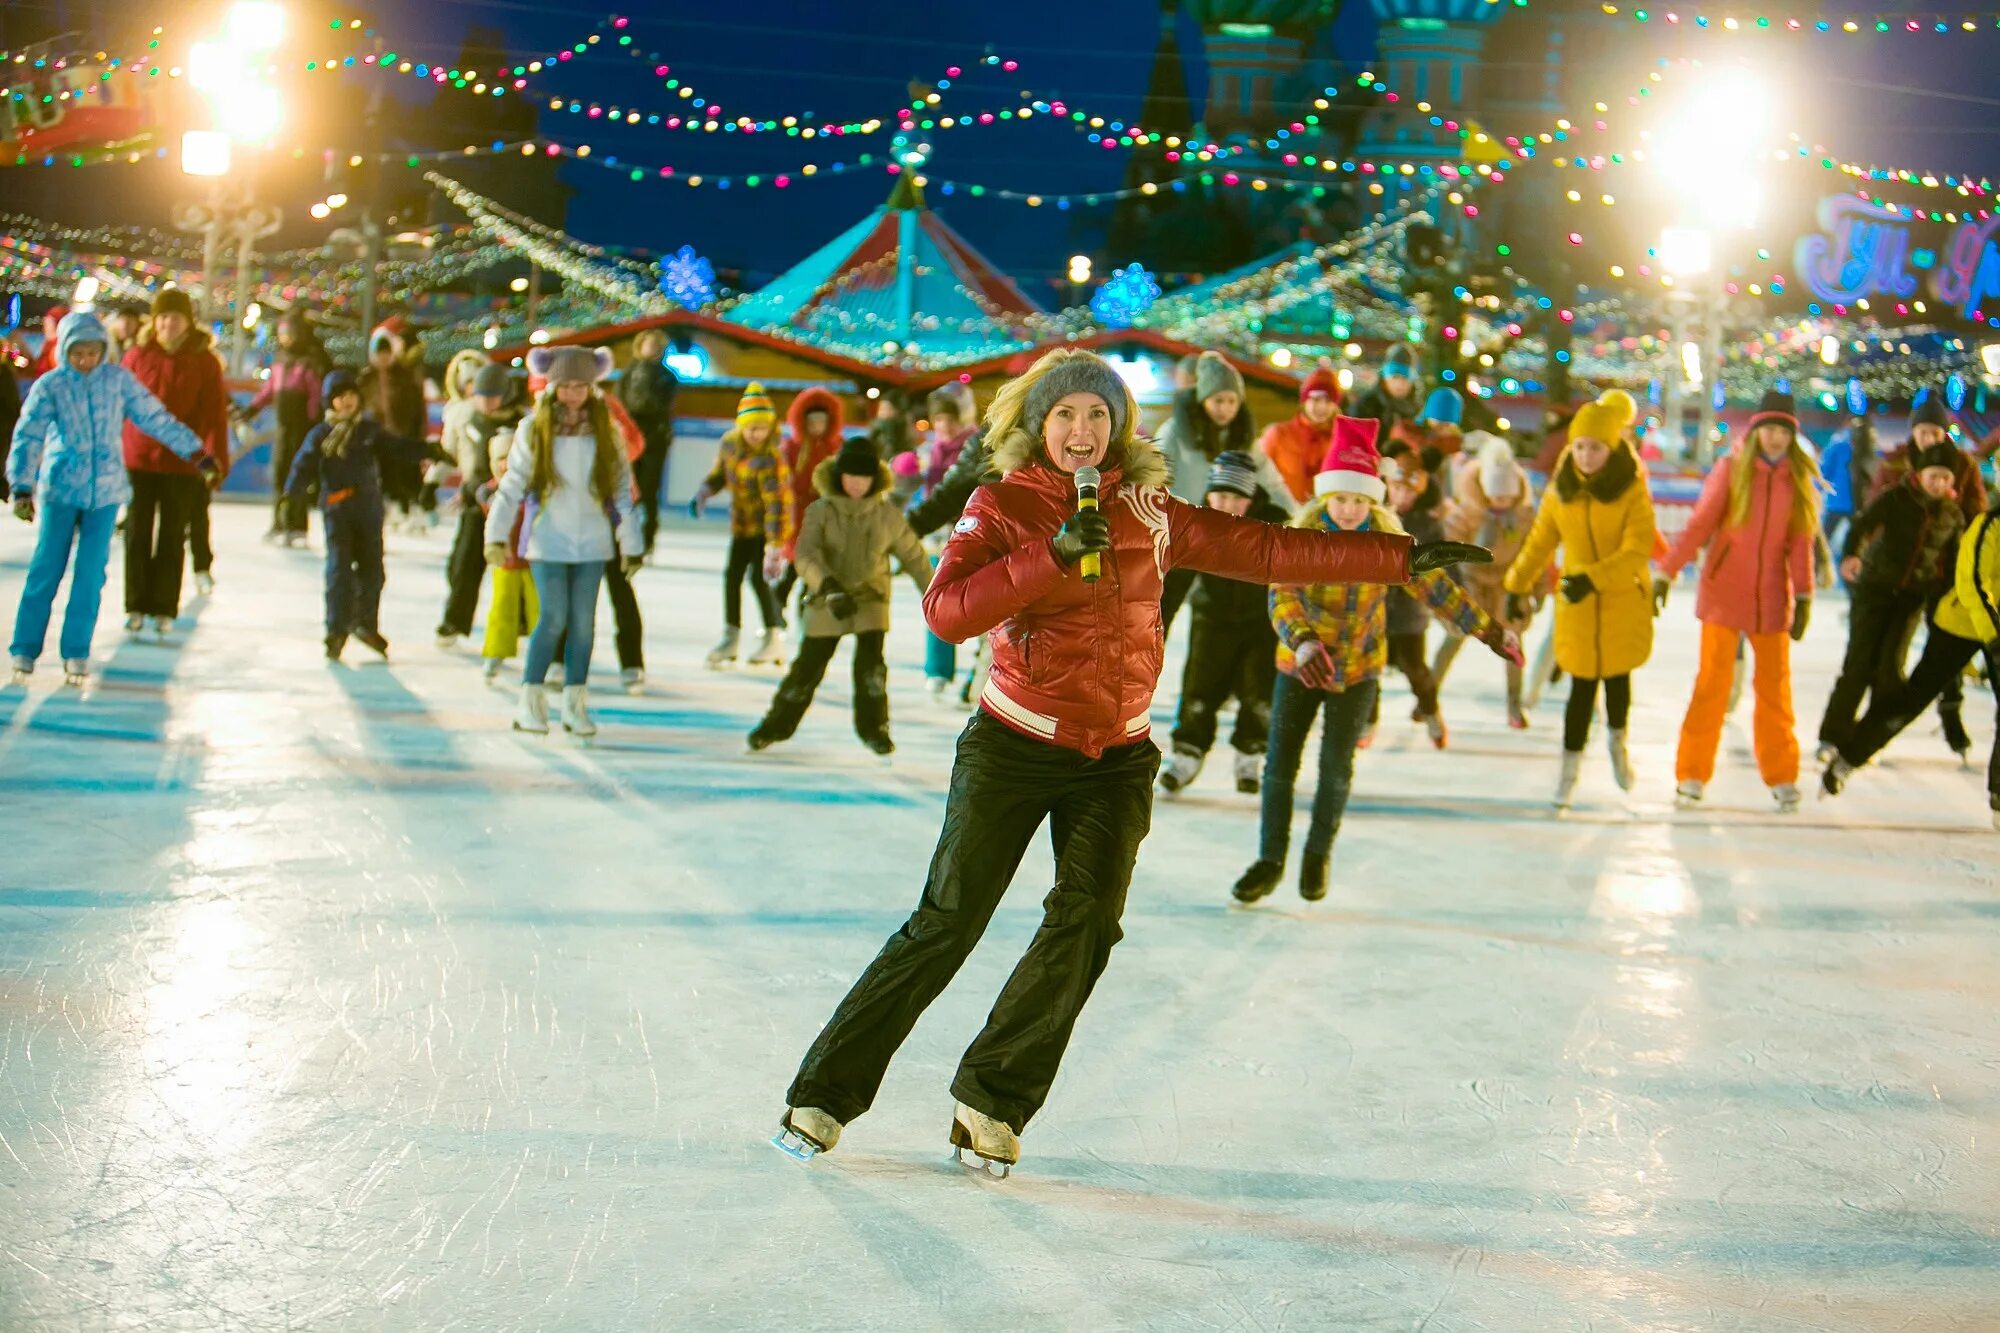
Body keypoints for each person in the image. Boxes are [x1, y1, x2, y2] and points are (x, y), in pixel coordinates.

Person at [771, 348, 1489, 1175]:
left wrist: (1397, 559)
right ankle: (825, 1091)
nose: (1083, 429)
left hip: (1116, 754)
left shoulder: (1151, 511)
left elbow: (1267, 551)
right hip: (1013, 743)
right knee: (948, 922)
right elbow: (947, 614)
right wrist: (1047, 554)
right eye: (1067, 413)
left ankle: (991, 1099)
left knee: (1086, 925)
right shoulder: (1000, 504)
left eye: (1099, 415)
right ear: (1039, 424)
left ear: (1119, 429)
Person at [1235, 418, 1521, 903]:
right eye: (1340, 499)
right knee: (1279, 766)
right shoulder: (1300, 539)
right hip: (1300, 664)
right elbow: (1281, 596)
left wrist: (1491, 631)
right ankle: (1269, 859)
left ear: (1373, 502)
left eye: (1359, 501)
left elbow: (1440, 592)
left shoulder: (1390, 549)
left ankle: (1316, 854)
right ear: (1325, 498)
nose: (1348, 510)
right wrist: (1303, 641)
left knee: (1335, 767)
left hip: (1358, 669)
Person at [7, 311, 215, 684]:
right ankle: (24, 648)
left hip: (105, 492)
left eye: (92, 352)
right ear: (65, 351)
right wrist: (22, 486)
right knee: (46, 570)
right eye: (77, 353)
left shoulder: (117, 382)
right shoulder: (51, 386)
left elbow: (155, 417)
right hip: (61, 488)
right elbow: (28, 435)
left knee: (90, 575)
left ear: (103, 350)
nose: (85, 360)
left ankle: (76, 651)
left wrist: (195, 451)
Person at [1656, 387, 1824, 812]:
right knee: (1712, 684)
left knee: (1774, 692)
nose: (1775, 438)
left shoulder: (1797, 480)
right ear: (1757, 430)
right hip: (1724, 593)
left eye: (1782, 431)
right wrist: (1667, 571)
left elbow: (1801, 542)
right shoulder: (1732, 470)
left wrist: (1803, 596)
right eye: (1769, 428)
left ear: (1791, 436)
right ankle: (1691, 773)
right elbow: (1698, 525)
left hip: (1770, 599)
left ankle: (1782, 776)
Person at [1503, 391, 1658, 809]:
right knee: (1580, 690)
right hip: (1577, 603)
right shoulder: (1562, 489)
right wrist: (1515, 586)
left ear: (1612, 448)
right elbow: (1539, 542)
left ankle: (1617, 748)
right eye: (1580, 446)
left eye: (1596, 447)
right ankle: (1568, 773)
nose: (1587, 456)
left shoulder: (1631, 487)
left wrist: (1594, 578)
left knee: (1618, 681)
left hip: (1621, 599)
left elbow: (1638, 548)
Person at [484, 346, 643, 738]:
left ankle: (575, 704)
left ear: (592, 387)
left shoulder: (608, 432)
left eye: (580, 386)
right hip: (547, 539)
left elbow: (622, 492)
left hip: (593, 541)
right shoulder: (534, 429)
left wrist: (631, 543)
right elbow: (511, 487)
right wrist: (496, 535)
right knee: (553, 618)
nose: (573, 394)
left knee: (584, 626)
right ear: (552, 387)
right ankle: (530, 701)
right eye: (565, 386)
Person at [1822, 490, 1998, 829]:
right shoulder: (1989, 525)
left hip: (1995, 629)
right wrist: (1993, 635)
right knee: (1912, 697)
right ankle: (1850, 756)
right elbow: (1973, 584)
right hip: (1962, 623)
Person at [748, 437, 931, 754]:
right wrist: (828, 587)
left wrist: (936, 595)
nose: (857, 483)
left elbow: (914, 557)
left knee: (871, 668)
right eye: (851, 475)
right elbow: (806, 556)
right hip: (827, 597)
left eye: (864, 476)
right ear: (838, 475)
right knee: (809, 666)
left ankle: (875, 729)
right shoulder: (821, 510)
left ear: (875, 478)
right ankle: (775, 725)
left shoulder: (885, 515)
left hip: (870, 598)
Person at [1815, 440, 1965, 761]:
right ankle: (1832, 735)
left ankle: (1868, 736)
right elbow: (1862, 525)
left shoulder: (1952, 514)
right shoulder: (1897, 497)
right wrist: (1853, 554)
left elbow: (1955, 561)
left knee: (1890, 672)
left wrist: (1948, 594)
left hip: (1912, 598)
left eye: (1945, 478)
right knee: (1858, 664)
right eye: (1933, 475)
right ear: (1920, 473)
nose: (1938, 483)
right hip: (1875, 589)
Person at [1865, 391, 1990, 761]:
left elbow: (1976, 517)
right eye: (1923, 431)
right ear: (1913, 432)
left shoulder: (1963, 466)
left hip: (1946, 574)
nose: (1929, 438)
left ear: (1945, 433)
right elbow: (1876, 513)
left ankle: (1951, 715)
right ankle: (1877, 727)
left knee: (1943, 651)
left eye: (1936, 432)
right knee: (1889, 657)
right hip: (1900, 574)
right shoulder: (1895, 463)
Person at [286, 370, 445, 662]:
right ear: (329, 402)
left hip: (368, 509)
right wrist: (291, 497)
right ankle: (336, 631)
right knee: (340, 572)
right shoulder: (321, 434)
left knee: (373, 571)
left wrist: (430, 450)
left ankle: (365, 624)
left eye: (351, 395)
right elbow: (303, 465)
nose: (347, 402)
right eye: (340, 397)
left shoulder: (368, 430)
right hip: (337, 510)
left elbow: (398, 447)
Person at [1158, 452, 1287, 798]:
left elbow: (1296, 569)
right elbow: (1175, 585)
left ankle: (1250, 754)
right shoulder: (1196, 524)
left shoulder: (1272, 524)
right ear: (1209, 494)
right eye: (1221, 496)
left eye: (1236, 498)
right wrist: (1158, 630)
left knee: (1258, 693)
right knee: (1199, 689)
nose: (1227, 505)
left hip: (1261, 624)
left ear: (1250, 497)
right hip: (1211, 620)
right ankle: (1187, 753)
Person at [1155, 350, 1293, 630]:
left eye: (1231, 401)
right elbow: (1155, 473)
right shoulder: (1177, 430)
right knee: (1161, 610)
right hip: (1180, 532)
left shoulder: (1241, 436)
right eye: (1218, 400)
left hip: (1219, 535)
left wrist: (1296, 519)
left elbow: (1269, 479)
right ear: (1203, 399)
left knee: (1214, 613)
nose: (1225, 408)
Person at [121, 288, 230, 635]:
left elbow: (215, 415)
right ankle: (135, 604)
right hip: (139, 458)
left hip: (183, 462)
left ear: (188, 322)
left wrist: (216, 460)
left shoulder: (205, 361)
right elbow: (118, 407)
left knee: (171, 535)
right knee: (137, 533)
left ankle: (164, 606)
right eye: (163, 317)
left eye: (176, 317)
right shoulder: (137, 356)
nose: (169, 324)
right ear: (154, 321)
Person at [1436, 431, 1543, 729]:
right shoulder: (1468, 512)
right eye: (1496, 496)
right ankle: (1427, 695)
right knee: (1454, 637)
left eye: (1508, 497)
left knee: (1512, 643)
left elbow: (1535, 553)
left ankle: (1514, 704)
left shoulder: (1523, 515)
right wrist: (1452, 584)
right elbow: (1446, 547)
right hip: (1472, 582)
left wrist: (1538, 589)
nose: (1502, 502)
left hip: (1508, 585)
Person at [694, 384, 792, 668]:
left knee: (759, 580)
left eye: (762, 429)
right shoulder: (730, 444)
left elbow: (778, 503)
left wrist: (774, 545)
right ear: (742, 426)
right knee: (732, 577)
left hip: (766, 528)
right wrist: (704, 491)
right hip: (741, 525)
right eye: (752, 428)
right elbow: (720, 475)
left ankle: (774, 638)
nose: (757, 434)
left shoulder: (773, 457)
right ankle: (731, 636)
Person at [436, 362, 521, 648]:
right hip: (474, 502)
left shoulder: (520, 422)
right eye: (482, 395)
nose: (487, 402)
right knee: (462, 566)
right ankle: (454, 622)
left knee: (514, 567)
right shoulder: (467, 417)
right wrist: (431, 482)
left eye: (493, 396)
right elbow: (450, 452)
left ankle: (523, 621)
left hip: (511, 506)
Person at [1376, 437, 1453, 747]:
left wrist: (1449, 600)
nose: (1402, 496)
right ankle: (1367, 720)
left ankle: (1431, 711)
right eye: (1397, 488)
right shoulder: (1373, 516)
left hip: (1409, 611)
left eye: (1409, 490)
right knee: (1370, 670)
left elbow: (1445, 561)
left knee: (1415, 668)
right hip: (1376, 607)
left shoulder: (1427, 524)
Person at [240, 307, 330, 545]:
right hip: (283, 427)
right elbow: (270, 390)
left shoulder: (308, 361)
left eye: (289, 332)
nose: (285, 337)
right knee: (280, 474)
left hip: (301, 428)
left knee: (297, 474)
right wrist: (252, 408)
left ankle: (297, 525)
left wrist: (313, 421)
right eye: (282, 333)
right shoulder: (280, 361)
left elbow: (314, 394)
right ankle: (279, 522)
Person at [917, 381, 979, 700]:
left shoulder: (975, 447)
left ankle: (982, 673)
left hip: (971, 534)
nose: (944, 426)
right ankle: (938, 669)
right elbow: (928, 493)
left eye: (949, 419)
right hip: (938, 537)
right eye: (939, 419)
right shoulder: (933, 449)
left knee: (983, 607)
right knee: (939, 602)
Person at [478, 406, 536, 684]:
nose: (505, 465)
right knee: (502, 607)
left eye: (510, 459)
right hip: (506, 560)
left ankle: (545, 657)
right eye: (500, 459)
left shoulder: (532, 488)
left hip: (537, 560)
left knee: (540, 611)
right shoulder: (492, 492)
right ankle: (495, 652)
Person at [775, 385, 847, 607]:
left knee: (818, 560)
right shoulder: (792, 447)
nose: (816, 427)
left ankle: (803, 600)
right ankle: (780, 598)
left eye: (821, 423)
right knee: (799, 558)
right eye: (812, 423)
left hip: (826, 513)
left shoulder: (836, 447)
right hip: (799, 513)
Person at [360, 317, 429, 530]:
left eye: (386, 353)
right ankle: (397, 509)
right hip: (380, 436)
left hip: (404, 434)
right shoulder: (367, 378)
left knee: (408, 473)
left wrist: (418, 432)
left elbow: (416, 407)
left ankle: (416, 510)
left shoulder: (404, 376)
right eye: (378, 354)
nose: (382, 358)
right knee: (387, 475)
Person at [618, 329, 679, 558]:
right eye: (649, 344)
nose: (652, 349)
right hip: (629, 438)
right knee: (626, 490)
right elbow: (620, 402)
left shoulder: (667, 376)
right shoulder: (629, 373)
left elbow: (657, 406)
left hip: (654, 438)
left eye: (657, 345)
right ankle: (626, 538)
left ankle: (647, 539)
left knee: (648, 491)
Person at [1256, 361, 1342, 505]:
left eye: (1328, 401)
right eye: (1315, 399)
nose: (1321, 407)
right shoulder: (1278, 434)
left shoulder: (1341, 439)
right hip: (1281, 516)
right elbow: (1259, 475)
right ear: (1304, 401)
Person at [1347, 343, 1422, 440]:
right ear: (1385, 379)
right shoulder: (1365, 407)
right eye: (1394, 377)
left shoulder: (1416, 411)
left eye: (1405, 378)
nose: (1399, 383)